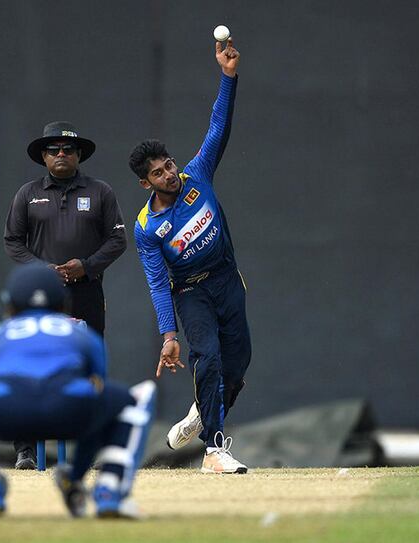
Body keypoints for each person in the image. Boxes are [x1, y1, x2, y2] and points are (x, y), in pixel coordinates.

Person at [130, 38, 250, 474]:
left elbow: (218, 128)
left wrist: (228, 76)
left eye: (169, 165)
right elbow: (157, 282)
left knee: (237, 367)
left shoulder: (197, 175)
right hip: (191, 293)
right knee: (210, 358)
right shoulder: (147, 227)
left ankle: (201, 414)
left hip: (226, 279)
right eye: (159, 173)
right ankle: (214, 451)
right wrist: (168, 336)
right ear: (147, 184)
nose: (170, 174)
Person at [0, 263, 156, 520]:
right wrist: (76, 473)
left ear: (10, 305)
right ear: (63, 303)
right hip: (70, 410)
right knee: (137, 397)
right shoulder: (82, 333)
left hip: (9, 414)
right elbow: (98, 391)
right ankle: (110, 489)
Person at [4, 121, 127, 469]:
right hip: (40, 295)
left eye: (68, 150)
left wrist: (86, 266)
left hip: (86, 291)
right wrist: (41, 269)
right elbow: (12, 240)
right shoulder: (27, 193)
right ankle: (26, 449)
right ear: (44, 156)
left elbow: (118, 240)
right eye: (54, 150)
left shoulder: (100, 191)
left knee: (88, 366)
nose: (61, 155)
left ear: (79, 155)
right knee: (30, 365)